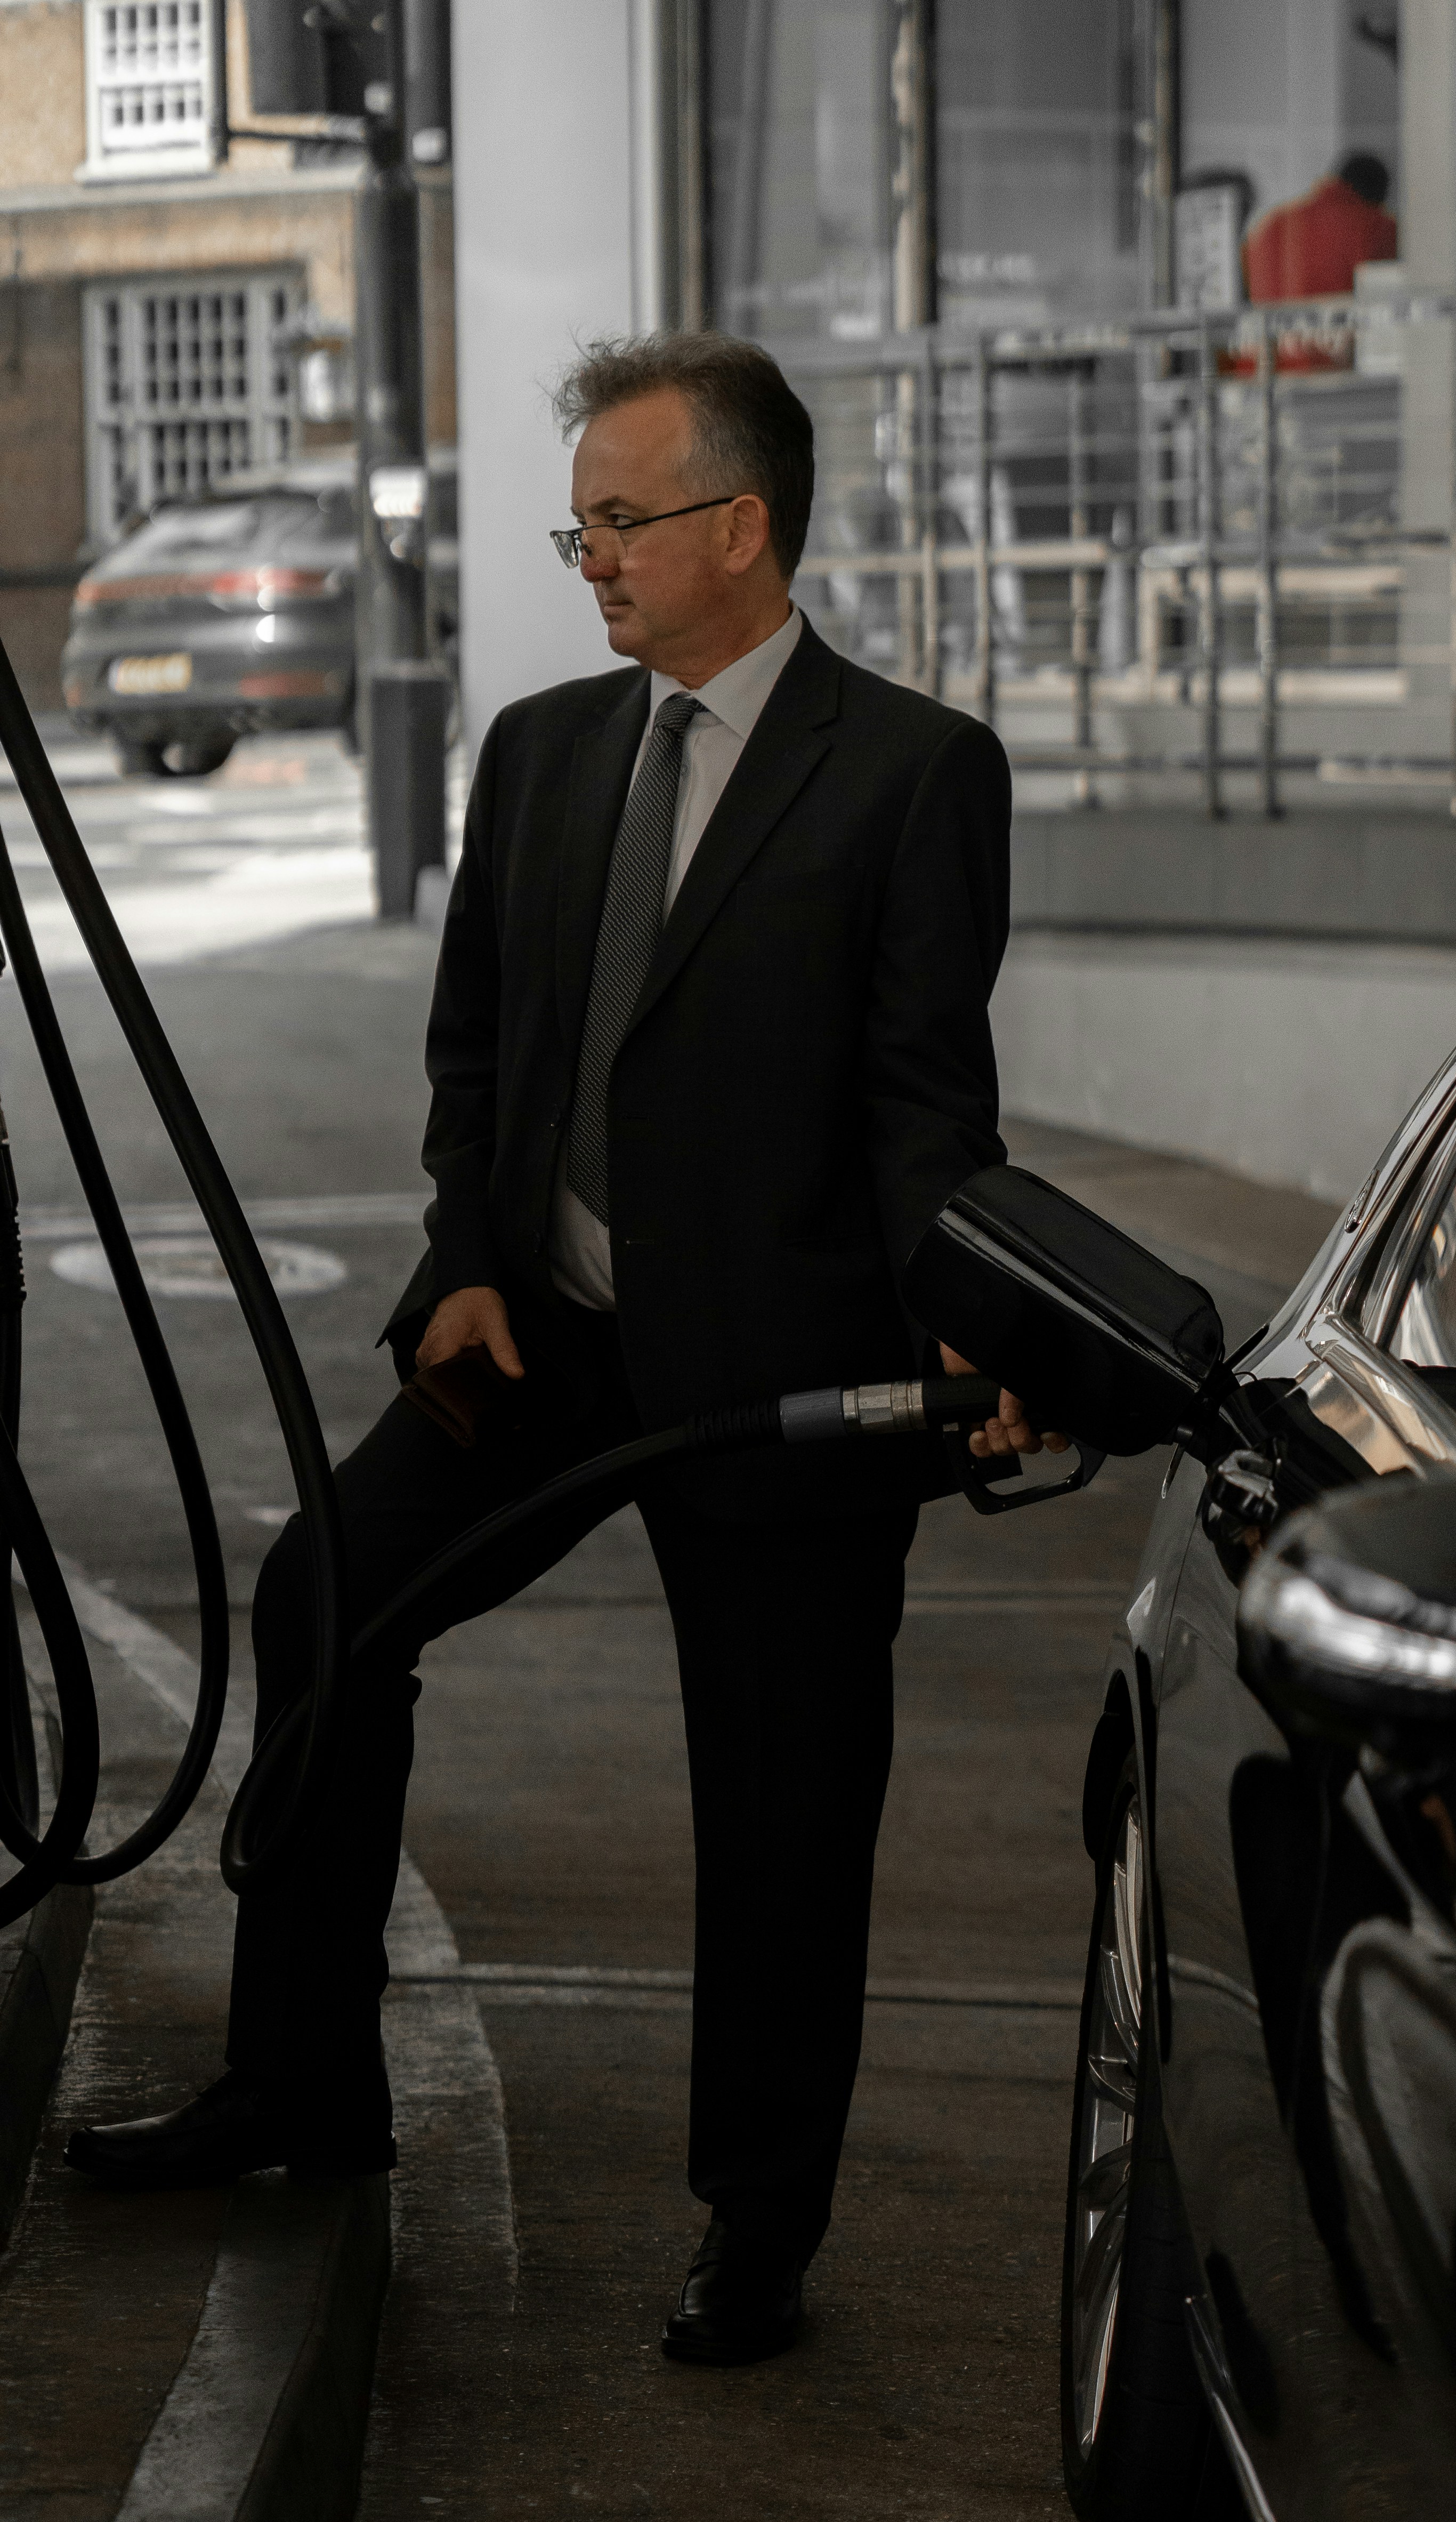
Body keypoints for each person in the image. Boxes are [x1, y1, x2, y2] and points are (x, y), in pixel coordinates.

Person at [67, 331, 1045, 2367]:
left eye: (621, 519)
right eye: (578, 523)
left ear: (741, 528)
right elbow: (479, 1060)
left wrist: (987, 1331)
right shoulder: (538, 754)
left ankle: (758, 2225)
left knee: (785, 1796)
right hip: (549, 1339)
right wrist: (464, 1259)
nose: (589, 555)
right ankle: (302, 2081)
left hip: (777, 1380)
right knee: (325, 1596)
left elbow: (924, 1119)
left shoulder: (910, 774)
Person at [1243, 151, 1398, 305]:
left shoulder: (1275, 223)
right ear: (1379, 195)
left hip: (1269, 320)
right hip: (1344, 320)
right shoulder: (1377, 227)